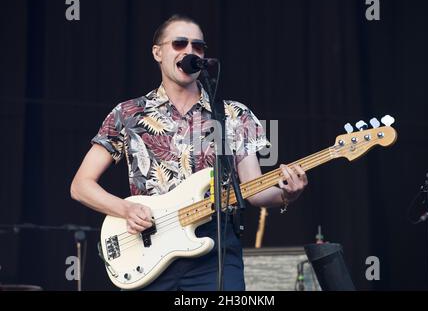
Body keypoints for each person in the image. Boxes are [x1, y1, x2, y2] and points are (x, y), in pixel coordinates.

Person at [70, 14, 308, 291]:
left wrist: (288, 194)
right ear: (158, 52)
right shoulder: (128, 114)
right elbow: (80, 185)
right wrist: (127, 209)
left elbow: (254, 192)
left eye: (198, 47)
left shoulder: (233, 115)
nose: (190, 52)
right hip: (149, 244)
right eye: (180, 44)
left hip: (215, 250)